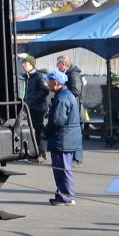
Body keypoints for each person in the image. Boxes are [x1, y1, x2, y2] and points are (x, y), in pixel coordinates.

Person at [44, 70, 82, 206]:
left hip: (63, 139)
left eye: (49, 81)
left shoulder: (62, 98)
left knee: (63, 169)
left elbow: (57, 121)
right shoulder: (65, 95)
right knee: (63, 168)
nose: (47, 84)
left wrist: (45, 132)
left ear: (55, 83)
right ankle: (64, 194)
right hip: (66, 138)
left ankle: (66, 196)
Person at [20, 54, 51, 162]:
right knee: (32, 131)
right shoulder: (27, 77)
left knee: (37, 131)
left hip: (38, 108)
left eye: (26, 63)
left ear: (32, 65)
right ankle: (36, 153)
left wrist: (33, 99)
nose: (23, 65)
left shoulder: (38, 76)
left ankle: (41, 154)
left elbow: (46, 90)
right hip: (30, 108)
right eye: (23, 63)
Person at [56, 54, 86, 165]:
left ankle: (77, 159)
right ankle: (76, 158)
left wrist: (64, 92)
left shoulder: (73, 74)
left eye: (58, 64)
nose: (57, 67)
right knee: (74, 132)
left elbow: (76, 91)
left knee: (75, 133)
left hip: (75, 108)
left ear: (63, 64)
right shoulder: (70, 73)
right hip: (73, 107)